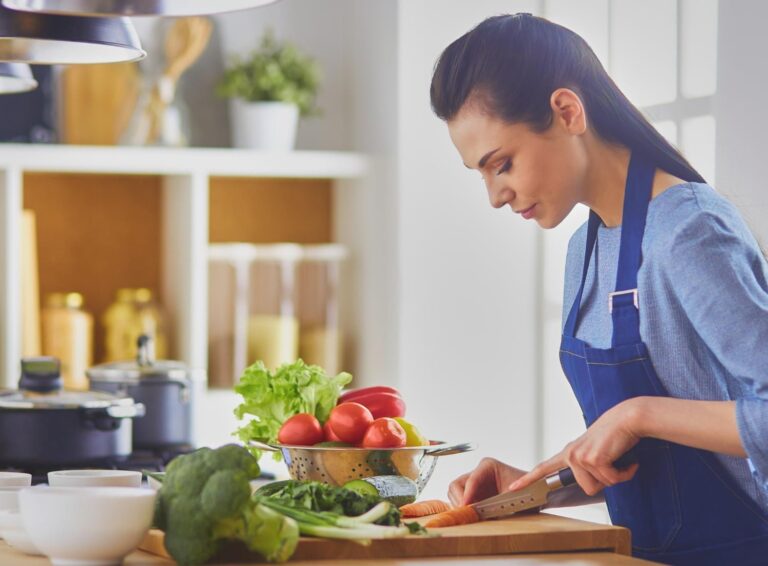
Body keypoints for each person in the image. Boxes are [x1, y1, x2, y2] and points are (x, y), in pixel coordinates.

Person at [430, 13, 768, 565]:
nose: (495, 196)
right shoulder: (584, 252)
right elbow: (653, 466)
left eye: (502, 164)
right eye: (482, 174)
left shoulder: (687, 231)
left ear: (567, 111)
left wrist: (639, 414)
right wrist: (542, 485)